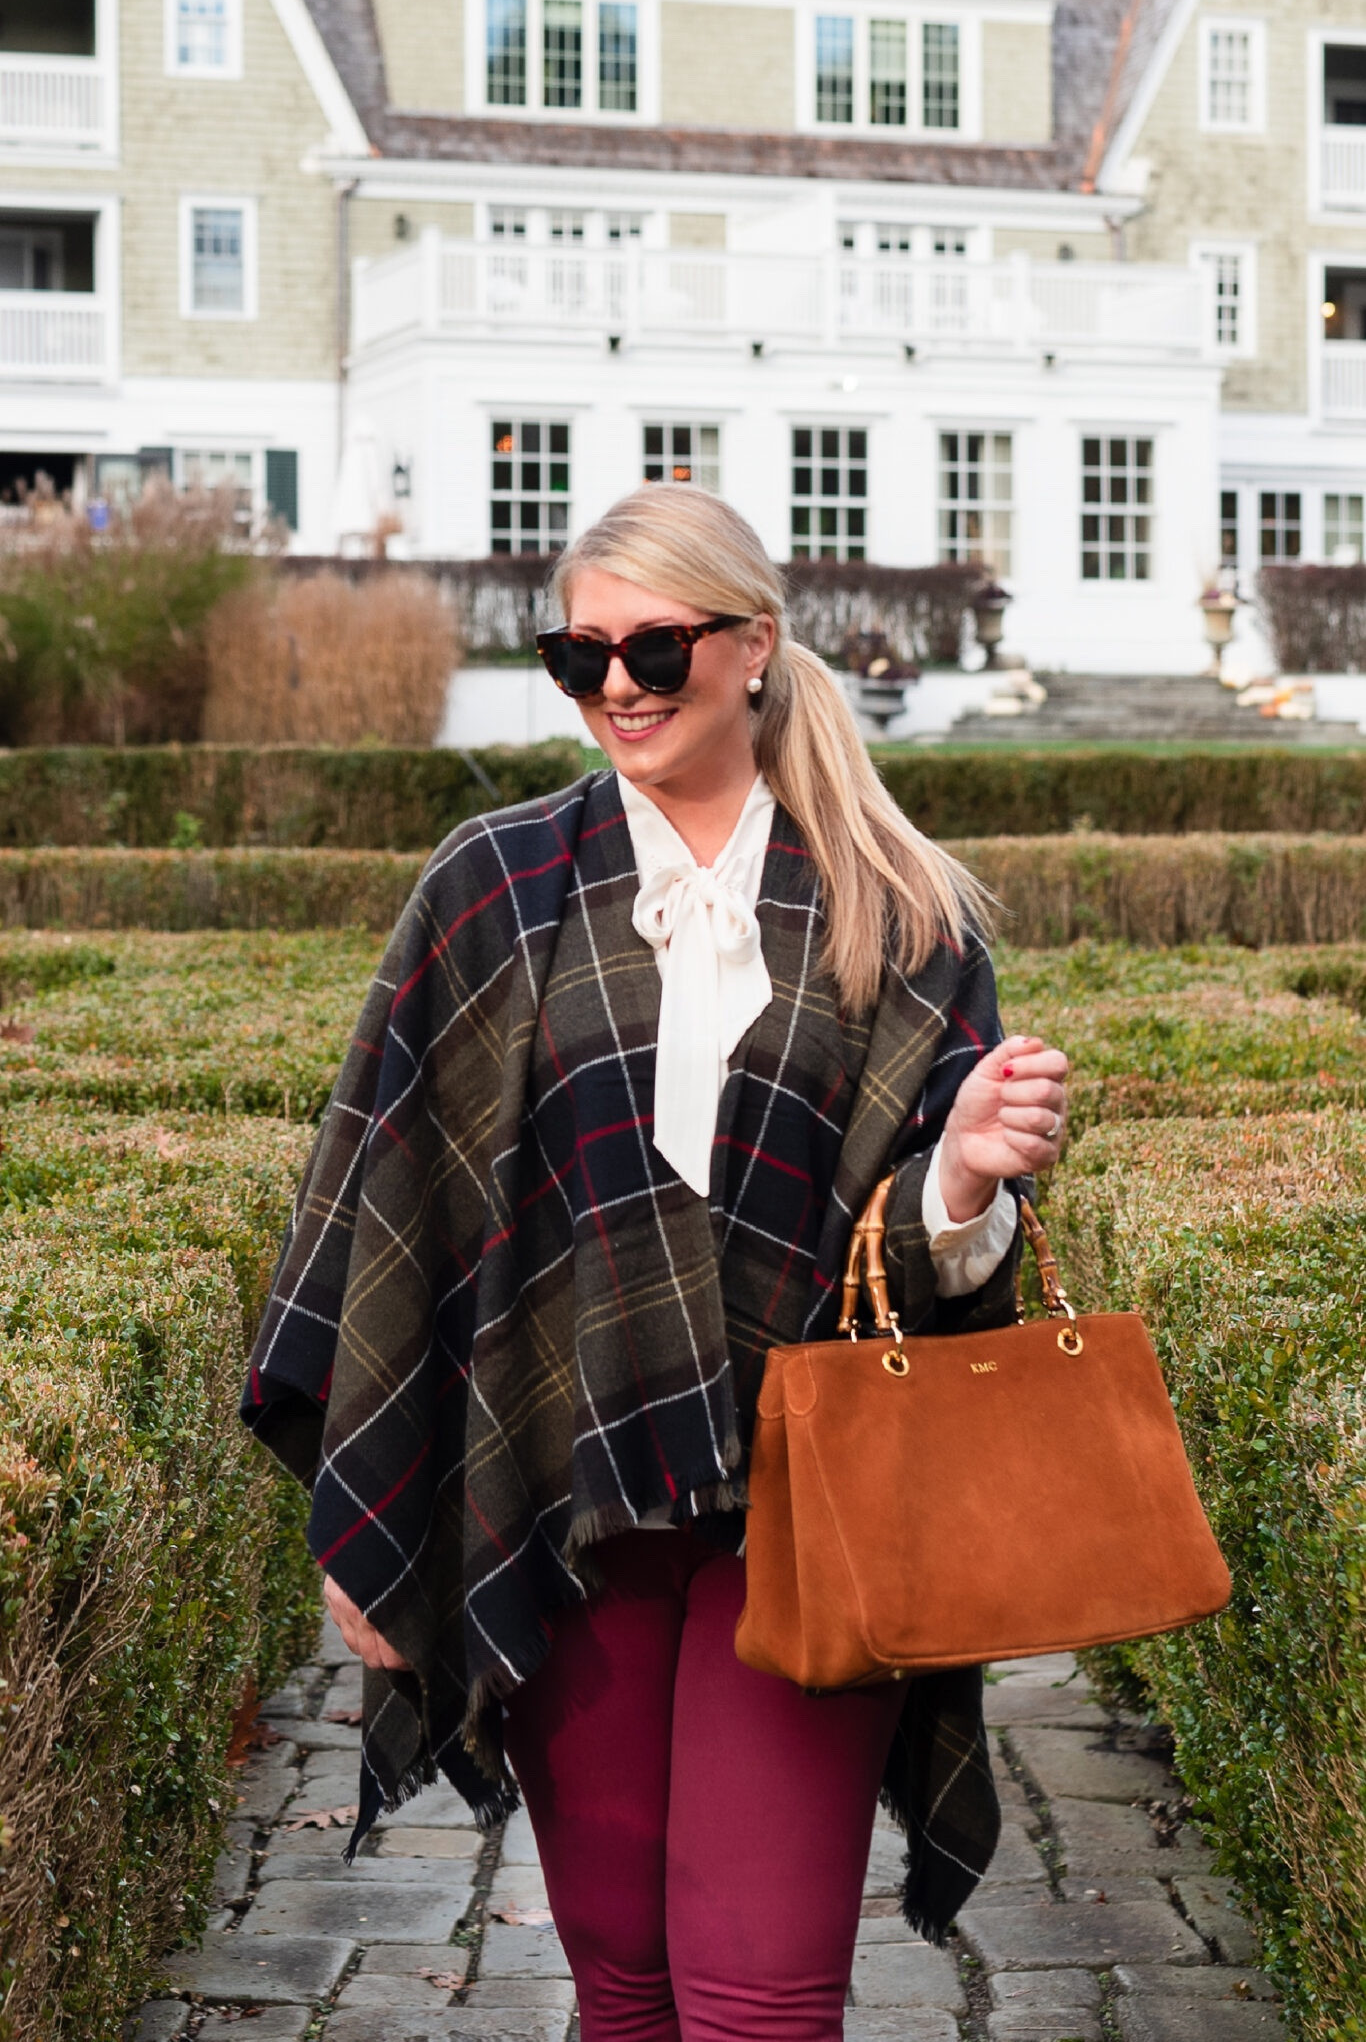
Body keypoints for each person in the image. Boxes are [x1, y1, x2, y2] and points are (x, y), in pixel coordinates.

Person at [241, 485, 1069, 2042]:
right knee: (620, 1971)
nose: (616, 685)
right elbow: (381, 1196)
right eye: (579, 654)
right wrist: (372, 1525)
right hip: (558, 1498)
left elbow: (918, 1264)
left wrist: (960, 1174)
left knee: (760, 1993)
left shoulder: (899, 912)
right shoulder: (495, 885)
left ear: (751, 645)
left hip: (810, 1511)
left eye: (656, 648)